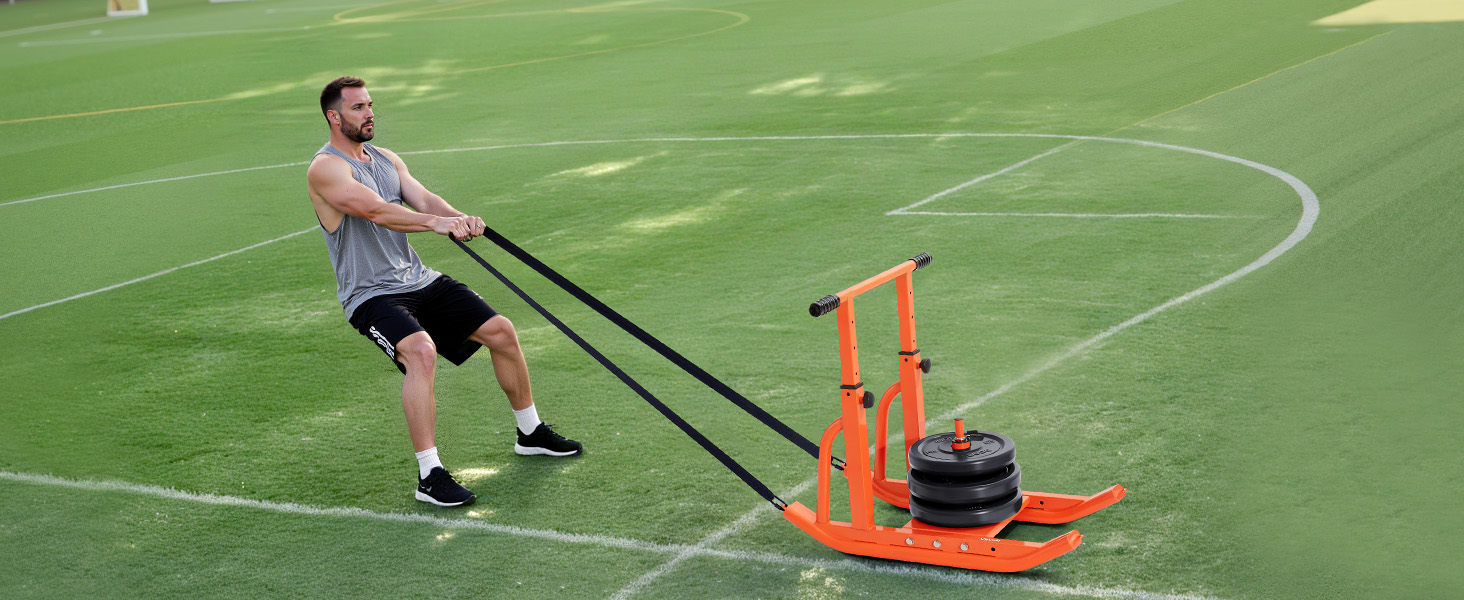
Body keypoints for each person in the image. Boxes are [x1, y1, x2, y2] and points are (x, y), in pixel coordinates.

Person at [305, 76, 581, 508]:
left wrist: (459, 218)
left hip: (417, 278)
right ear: (333, 116)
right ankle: (429, 474)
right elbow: (374, 211)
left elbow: (426, 199)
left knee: (502, 332)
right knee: (421, 351)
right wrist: (436, 225)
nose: (370, 113)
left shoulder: (385, 159)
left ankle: (530, 432)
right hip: (370, 294)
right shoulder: (326, 169)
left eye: (370, 105)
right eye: (358, 108)